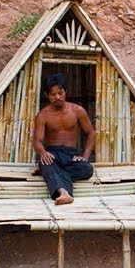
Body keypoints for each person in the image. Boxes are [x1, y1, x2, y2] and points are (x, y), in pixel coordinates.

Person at [34, 73, 96, 205]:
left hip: (70, 155)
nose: (57, 97)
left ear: (65, 91)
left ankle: (50, 173)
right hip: (53, 154)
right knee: (46, 162)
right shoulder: (43, 115)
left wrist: (85, 156)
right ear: (47, 95)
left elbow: (90, 133)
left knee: (87, 169)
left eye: (60, 93)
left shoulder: (77, 111)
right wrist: (43, 153)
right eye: (53, 94)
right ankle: (64, 193)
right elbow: (37, 141)